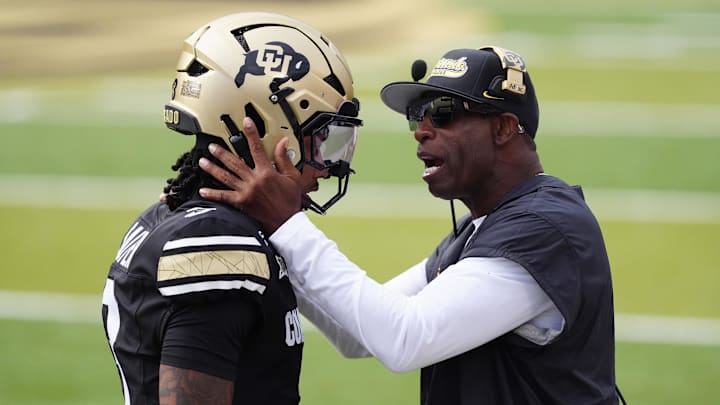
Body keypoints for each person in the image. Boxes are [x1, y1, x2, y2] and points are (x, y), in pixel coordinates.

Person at [199, 46, 624, 404]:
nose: (421, 131)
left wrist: (287, 223)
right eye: (417, 115)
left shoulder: (542, 227)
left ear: (504, 128)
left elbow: (405, 339)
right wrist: (267, 232)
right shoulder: (484, 229)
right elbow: (358, 337)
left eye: (441, 113)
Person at [100, 12, 362, 405]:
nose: (325, 164)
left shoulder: (169, 215)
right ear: (271, 129)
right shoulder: (217, 243)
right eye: (318, 136)